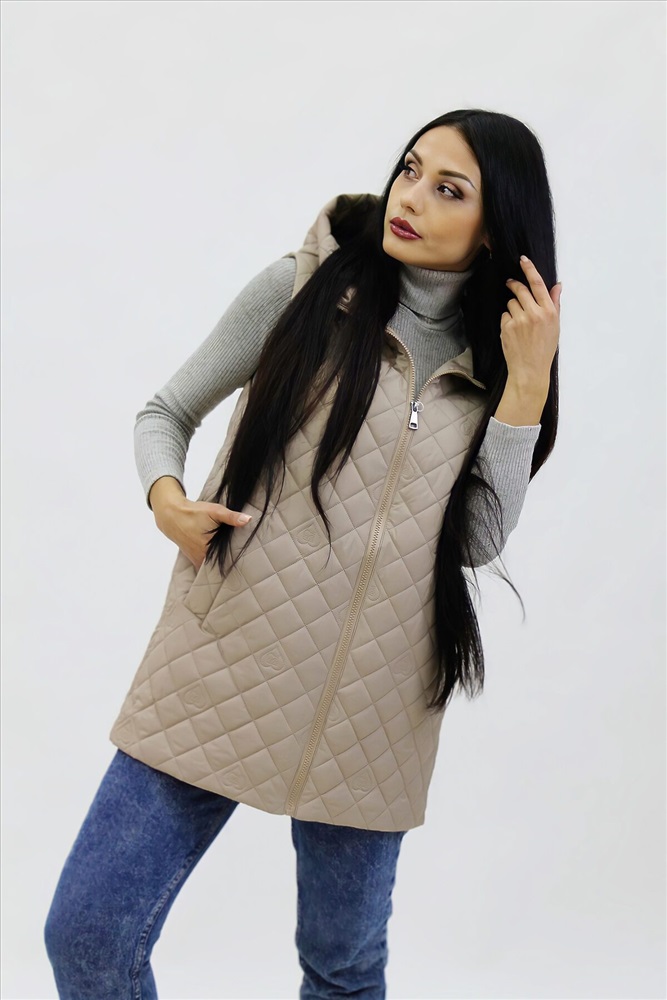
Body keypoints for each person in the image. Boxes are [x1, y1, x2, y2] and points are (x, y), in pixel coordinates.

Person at [44, 109, 561, 999]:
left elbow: (476, 543)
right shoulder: (303, 288)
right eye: (410, 170)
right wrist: (166, 500)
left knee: (343, 970)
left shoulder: (498, 364)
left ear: (495, 227)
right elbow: (166, 412)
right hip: (221, 667)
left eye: (448, 189)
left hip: (374, 711)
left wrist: (527, 385)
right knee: (88, 932)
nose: (410, 197)